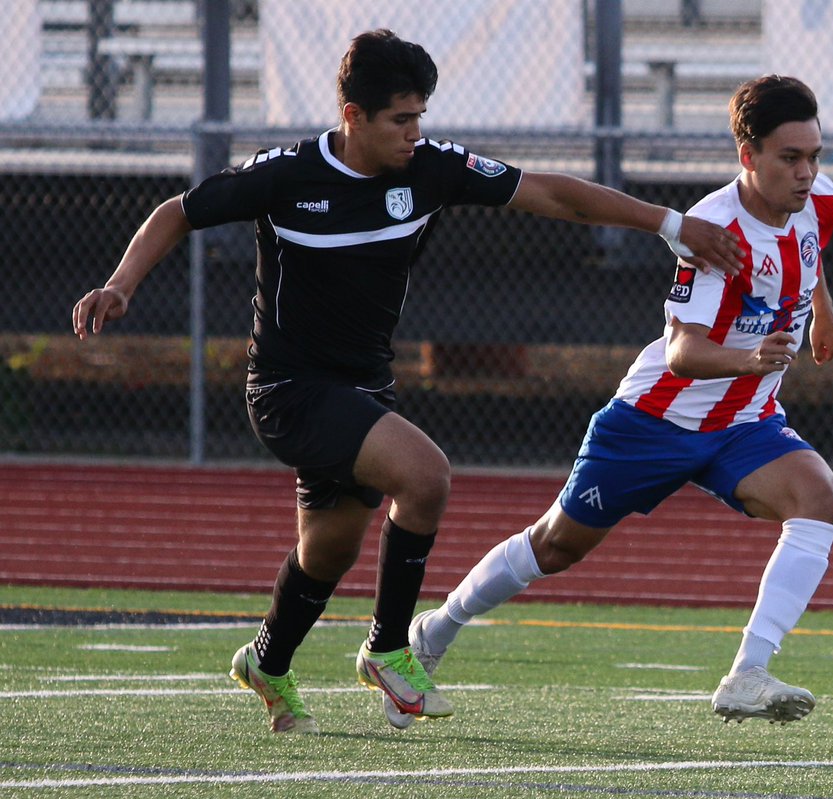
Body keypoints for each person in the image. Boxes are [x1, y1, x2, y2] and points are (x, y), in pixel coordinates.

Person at [70, 29, 745, 735]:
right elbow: (176, 212)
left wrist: (670, 223)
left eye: (420, 116)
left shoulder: (430, 168)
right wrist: (120, 284)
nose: (415, 133)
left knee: (328, 548)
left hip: (363, 385)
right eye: (401, 119)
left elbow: (553, 194)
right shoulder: (287, 175)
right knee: (426, 476)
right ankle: (389, 649)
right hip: (288, 388)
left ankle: (267, 660)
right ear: (353, 116)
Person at [408, 74, 833, 726]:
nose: (807, 172)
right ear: (748, 155)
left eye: (814, 156)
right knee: (555, 547)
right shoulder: (715, 232)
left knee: (820, 497)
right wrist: (751, 360)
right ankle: (437, 626)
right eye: (791, 158)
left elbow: (808, 259)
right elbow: (683, 352)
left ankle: (747, 671)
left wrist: (823, 311)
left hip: (744, 420)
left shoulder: (821, 200)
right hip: (654, 420)